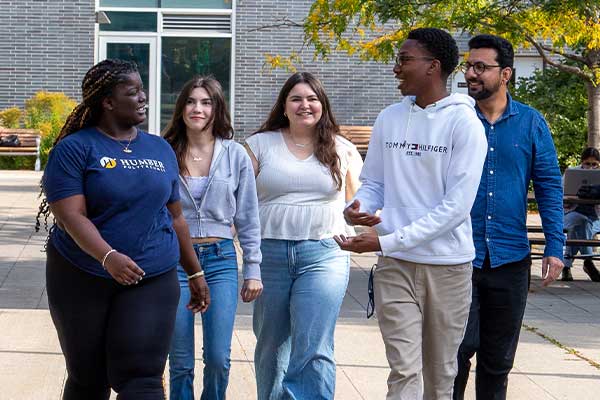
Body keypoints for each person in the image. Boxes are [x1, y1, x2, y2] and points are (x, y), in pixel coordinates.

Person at [38, 59, 210, 399]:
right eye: (133, 91)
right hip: (81, 274)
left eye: (142, 89)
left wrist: (194, 272)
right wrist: (108, 257)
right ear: (107, 101)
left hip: (151, 273)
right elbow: (71, 216)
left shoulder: (159, 148)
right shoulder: (74, 149)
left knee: (142, 377)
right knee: (89, 378)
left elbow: (175, 216)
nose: (143, 97)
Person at [336, 28, 488, 399]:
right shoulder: (389, 117)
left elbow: (456, 208)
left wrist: (387, 238)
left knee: (439, 376)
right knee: (404, 370)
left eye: (405, 60)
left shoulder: (465, 124)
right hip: (396, 264)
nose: (396, 68)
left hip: (448, 268)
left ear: (433, 67)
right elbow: (374, 182)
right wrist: (360, 207)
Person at [453, 34, 564, 400]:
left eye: (481, 67)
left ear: (506, 74)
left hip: (510, 258)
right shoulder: (454, 119)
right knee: (454, 355)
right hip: (456, 258)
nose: (471, 73)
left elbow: (549, 185)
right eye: (469, 65)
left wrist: (555, 246)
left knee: (497, 362)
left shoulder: (531, 123)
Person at [245, 72, 363, 399]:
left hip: (326, 252)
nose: (305, 105)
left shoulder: (342, 148)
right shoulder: (259, 145)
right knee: (271, 344)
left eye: (312, 99)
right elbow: (237, 199)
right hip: (269, 254)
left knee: (314, 344)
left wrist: (370, 228)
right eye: (296, 98)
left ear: (322, 105)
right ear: (284, 106)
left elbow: (361, 199)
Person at [163, 76, 263, 400]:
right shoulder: (165, 152)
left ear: (217, 108)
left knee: (218, 357)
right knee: (179, 360)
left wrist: (253, 269)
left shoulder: (235, 155)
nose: (198, 108)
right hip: (176, 260)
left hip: (220, 260)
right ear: (181, 108)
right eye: (191, 101)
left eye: (206, 102)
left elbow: (248, 217)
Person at [562, 147, 600, 281]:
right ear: (582, 162)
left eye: (594, 164)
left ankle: (566, 266)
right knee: (582, 223)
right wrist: (567, 200)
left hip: (596, 218)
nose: (590, 167)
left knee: (579, 227)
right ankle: (588, 262)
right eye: (587, 164)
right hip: (572, 213)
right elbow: (559, 195)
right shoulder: (572, 174)